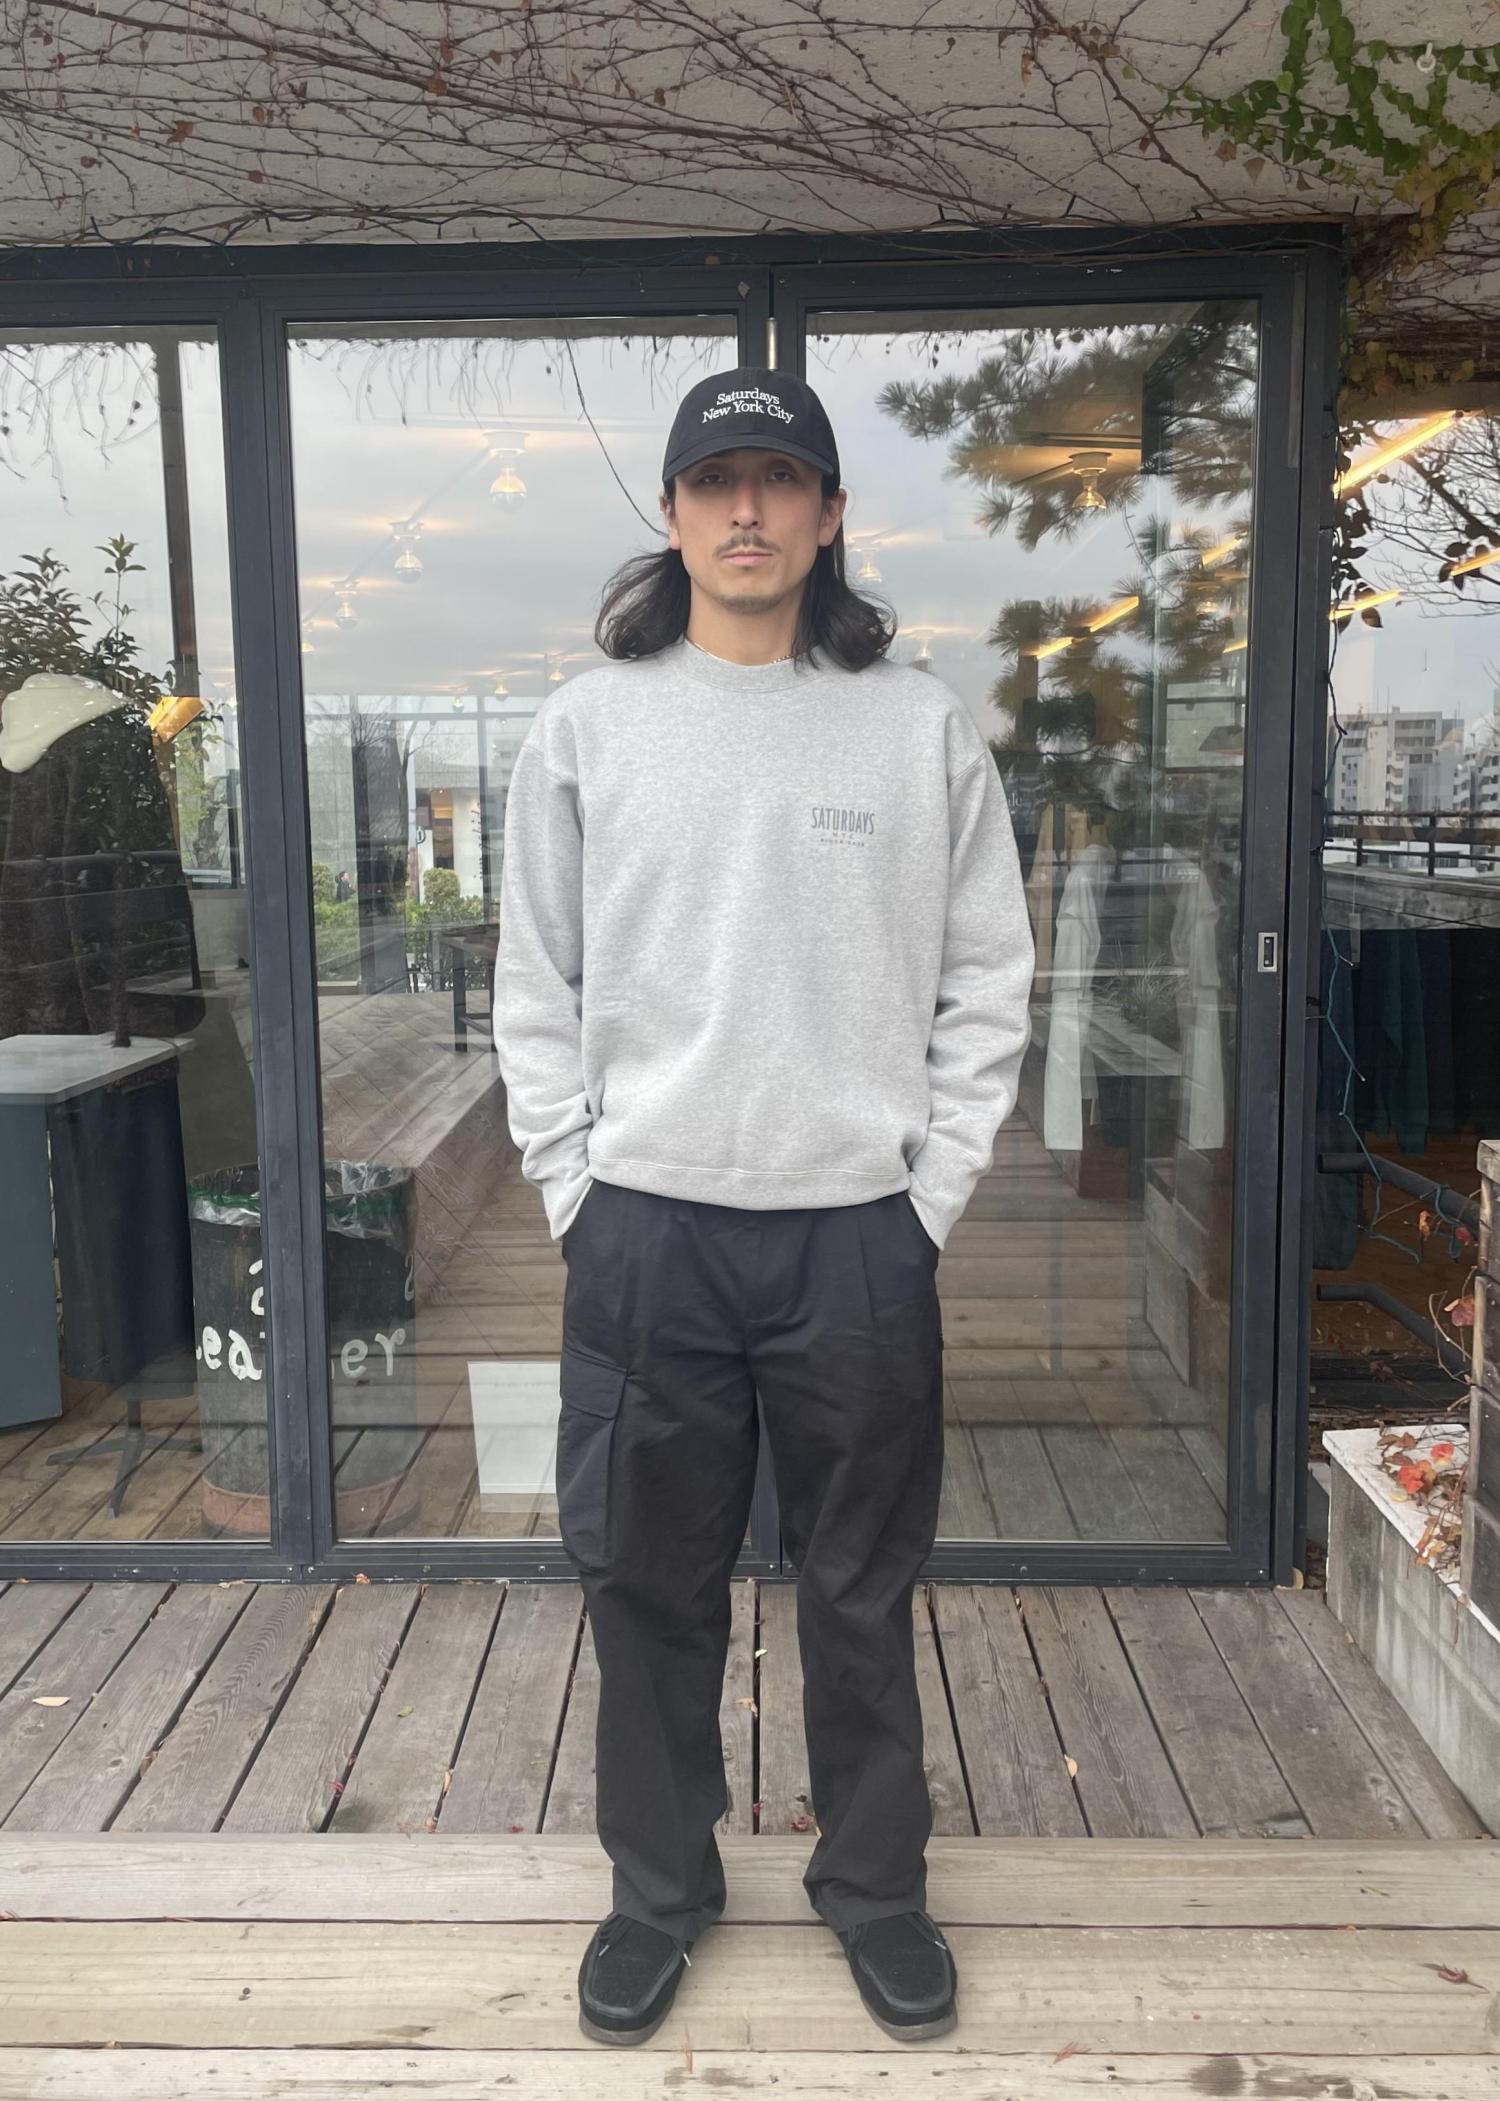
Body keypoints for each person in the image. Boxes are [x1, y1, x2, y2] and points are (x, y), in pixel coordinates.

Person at [492, 365, 1034, 2048]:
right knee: (644, 1581)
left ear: (829, 511)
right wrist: (575, 1190)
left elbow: (989, 980)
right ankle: (659, 1890)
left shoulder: (917, 726)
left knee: (863, 1585)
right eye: (715, 480)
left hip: (858, 1237)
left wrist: (928, 1197)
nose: (747, 508)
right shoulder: (588, 728)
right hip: (645, 1231)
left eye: (779, 478)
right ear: (671, 514)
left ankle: (873, 1885)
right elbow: (533, 986)